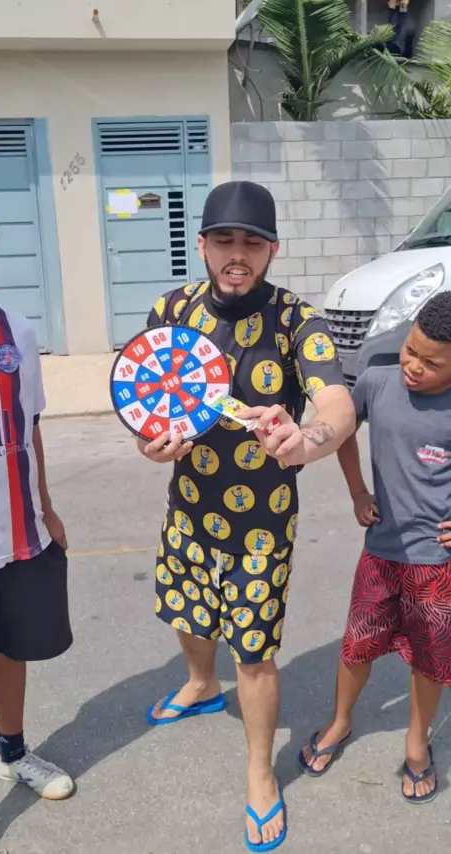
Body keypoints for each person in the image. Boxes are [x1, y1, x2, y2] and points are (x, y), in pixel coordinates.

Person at [138, 181, 355, 850]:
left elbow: (338, 405)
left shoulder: (296, 320)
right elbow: (146, 400)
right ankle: (202, 683)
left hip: (262, 523)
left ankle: (260, 773)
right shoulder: (172, 310)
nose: (238, 255)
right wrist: (151, 444)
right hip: (189, 509)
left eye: (252, 243)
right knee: (188, 615)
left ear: (272, 250)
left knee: (254, 652)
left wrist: (306, 439)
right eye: (225, 240)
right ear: (202, 245)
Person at [299, 290, 451, 805]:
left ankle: (416, 743)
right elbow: (342, 429)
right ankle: (340, 721)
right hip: (381, 554)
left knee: (430, 659)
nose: (414, 365)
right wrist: (358, 491)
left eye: (432, 363)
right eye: (411, 349)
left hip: (437, 563)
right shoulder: (377, 381)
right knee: (356, 645)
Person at [0, 208, 74, 853]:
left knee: (10, 651)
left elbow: (29, 428)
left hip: (19, 537)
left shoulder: (17, 332)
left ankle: (12, 753)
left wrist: (46, 508)